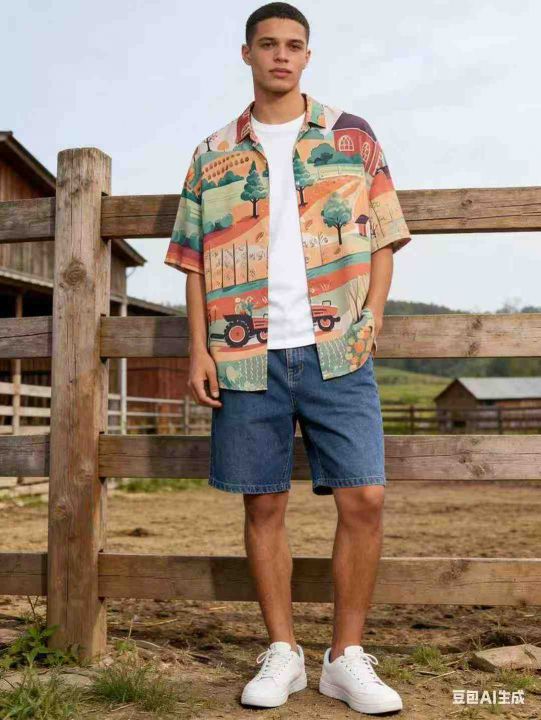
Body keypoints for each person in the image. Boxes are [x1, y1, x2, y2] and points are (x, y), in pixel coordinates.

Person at [164, 2, 411, 714]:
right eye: (268, 44)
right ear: (246, 54)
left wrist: (372, 318)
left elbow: (385, 236)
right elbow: (192, 262)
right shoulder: (212, 152)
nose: (281, 55)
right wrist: (199, 346)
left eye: (293, 45)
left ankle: (346, 657)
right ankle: (283, 652)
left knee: (364, 497)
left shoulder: (351, 135)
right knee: (264, 501)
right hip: (245, 351)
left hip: (338, 347)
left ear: (307, 55)